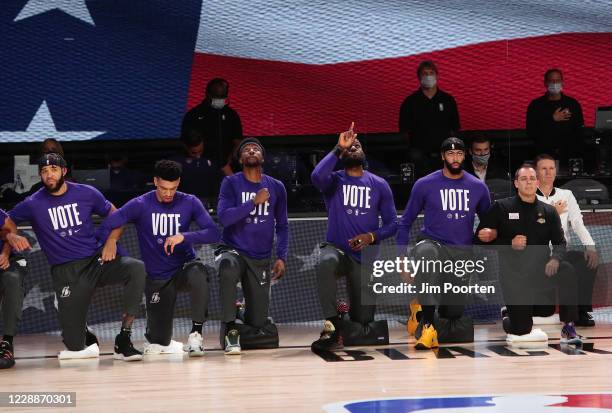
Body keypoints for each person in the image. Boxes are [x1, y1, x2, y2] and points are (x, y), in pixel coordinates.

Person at [6, 153, 147, 361]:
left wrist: (111, 241)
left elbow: (117, 215)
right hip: (66, 272)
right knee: (75, 347)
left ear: (64, 171)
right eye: (44, 171)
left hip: (95, 262)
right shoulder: (32, 203)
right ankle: (81, 329)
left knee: (136, 267)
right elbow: (6, 221)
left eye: (53, 170)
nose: (49, 175)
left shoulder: (86, 193)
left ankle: (124, 338)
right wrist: (9, 235)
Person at [100, 160, 220, 356]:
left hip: (184, 269)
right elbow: (108, 224)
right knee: (159, 342)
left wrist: (185, 236)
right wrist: (112, 241)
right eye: (164, 188)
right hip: (157, 278)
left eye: (173, 188)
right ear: (155, 181)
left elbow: (214, 233)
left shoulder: (190, 202)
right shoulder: (140, 204)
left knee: (199, 273)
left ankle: (196, 335)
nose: (168, 193)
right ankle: (162, 338)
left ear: (179, 182)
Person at [310, 123, 398, 352]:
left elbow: (392, 225)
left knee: (363, 322)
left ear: (364, 154)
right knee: (324, 262)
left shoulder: (379, 185)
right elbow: (316, 175)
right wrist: (338, 148)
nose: (353, 148)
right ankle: (332, 322)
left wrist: (371, 236)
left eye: (356, 145)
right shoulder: (334, 181)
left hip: (364, 257)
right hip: (337, 250)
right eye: (349, 148)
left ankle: (344, 312)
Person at [397, 137, 491, 349]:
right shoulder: (424, 184)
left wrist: (489, 233)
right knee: (426, 254)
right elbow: (404, 223)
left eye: (458, 154)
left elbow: (489, 223)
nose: (455, 158)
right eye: (450, 154)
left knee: (452, 314)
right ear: (442, 156)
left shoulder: (478, 187)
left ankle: (418, 310)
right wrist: (401, 259)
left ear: (464, 155)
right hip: (432, 243)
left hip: (460, 252)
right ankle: (428, 326)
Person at [476, 165, 582, 345]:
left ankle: (569, 326)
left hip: (541, 272)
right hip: (514, 277)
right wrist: (509, 243)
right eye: (524, 179)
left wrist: (555, 258)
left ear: (538, 183)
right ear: (516, 183)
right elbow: (478, 240)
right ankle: (509, 317)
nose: (529, 182)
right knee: (522, 329)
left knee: (567, 270)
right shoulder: (501, 208)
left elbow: (560, 242)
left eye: (532, 179)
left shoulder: (548, 211)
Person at [216, 138, 288, 355]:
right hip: (233, 250)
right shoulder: (231, 183)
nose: (251, 150)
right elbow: (224, 218)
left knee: (257, 321)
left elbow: (283, 226)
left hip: (261, 257)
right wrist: (252, 202)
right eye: (246, 149)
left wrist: (281, 256)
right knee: (227, 267)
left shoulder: (276, 187)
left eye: (256, 149)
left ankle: (241, 310)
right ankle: (230, 329)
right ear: (240, 159)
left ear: (262, 158)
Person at [535, 154, 599, 326]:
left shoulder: (567, 195)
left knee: (586, 261)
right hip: (538, 254)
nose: (548, 172)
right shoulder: (530, 196)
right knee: (566, 271)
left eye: (551, 168)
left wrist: (590, 246)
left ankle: (582, 311)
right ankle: (567, 317)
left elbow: (578, 223)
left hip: (563, 252)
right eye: (544, 168)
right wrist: (553, 212)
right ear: (536, 172)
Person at [399, 60, 460, 176]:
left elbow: (455, 128)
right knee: (414, 156)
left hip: (444, 151)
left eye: (431, 73)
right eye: (424, 73)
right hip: (419, 153)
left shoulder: (448, 100)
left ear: (436, 75)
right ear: (419, 77)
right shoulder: (410, 102)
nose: (428, 76)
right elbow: (404, 132)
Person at [181, 78, 243, 175]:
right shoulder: (193, 115)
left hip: (227, 166)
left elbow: (238, 141)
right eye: (217, 97)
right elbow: (187, 142)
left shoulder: (231, 115)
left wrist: (229, 161)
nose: (220, 100)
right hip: (200, 168)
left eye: (223, 97)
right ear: (208, 94)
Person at [526, 68, 584, 163]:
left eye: (557, 81)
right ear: (545, 83)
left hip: (569, 155)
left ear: (562, 82)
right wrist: (552, 119)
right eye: (551, 81)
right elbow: (531, 132)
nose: (554, 83)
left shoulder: (573, 104)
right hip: (544, 156)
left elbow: (579, 132)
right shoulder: (535, 105)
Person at [0, 210, 28, 368]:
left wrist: (4, 253)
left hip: (9, 260)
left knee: (12, 279)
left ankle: (7, 343)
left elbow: (11, 230)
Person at [170, 133, 221, 201]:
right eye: (193, 153)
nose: (198, 156)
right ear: (185, 147)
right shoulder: (175, 162)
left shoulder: (212, 158)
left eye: (200, 151)